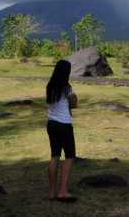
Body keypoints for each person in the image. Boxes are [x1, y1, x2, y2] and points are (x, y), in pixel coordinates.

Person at [46, 59, 78, 202]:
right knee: (70, 156)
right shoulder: (66, 87)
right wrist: (74, 97)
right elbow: (74, 104)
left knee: (55, 156)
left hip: (51, 123)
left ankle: (53, 191)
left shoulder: (50, 86)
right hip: (64, 125)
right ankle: (63, 191)